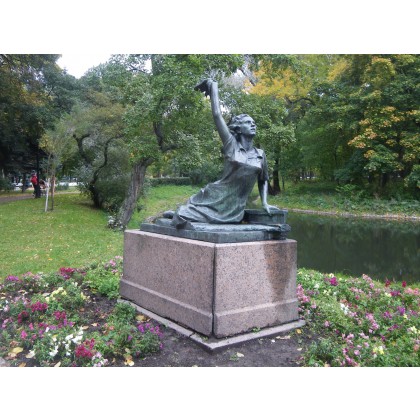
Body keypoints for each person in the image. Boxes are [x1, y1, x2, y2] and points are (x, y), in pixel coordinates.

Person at [168, 78, 278, 228]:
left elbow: (263, 180)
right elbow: (217, 115)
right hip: (216, 195)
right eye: (248, 122)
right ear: (238, 128)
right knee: (182, 215)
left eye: (254, 123)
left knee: (186, 215)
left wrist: (265, 203)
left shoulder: (260, 154)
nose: (253, 125)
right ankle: (178, 213)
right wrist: (213, 86)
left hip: (235, 207)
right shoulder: (231, 144)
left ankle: (179, 213)